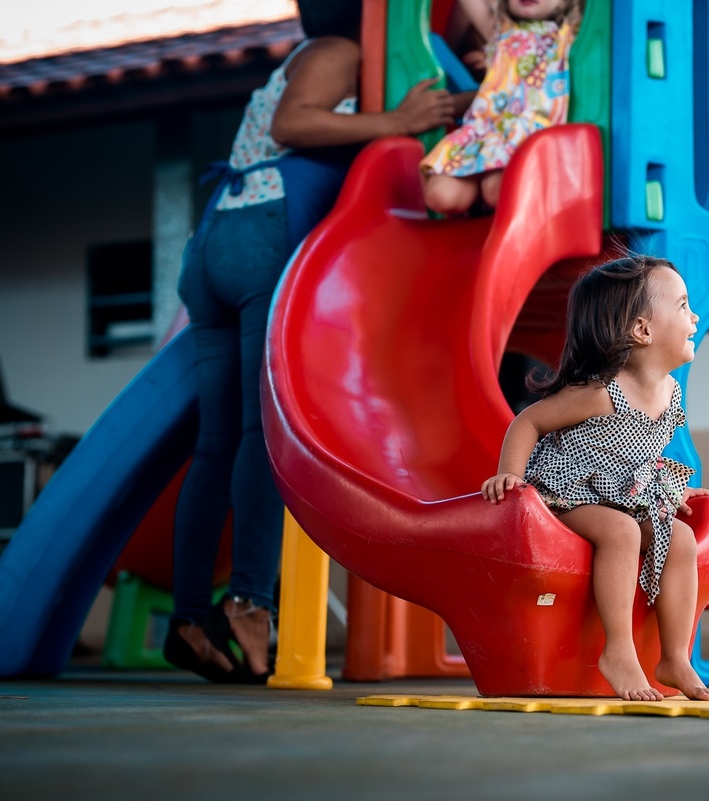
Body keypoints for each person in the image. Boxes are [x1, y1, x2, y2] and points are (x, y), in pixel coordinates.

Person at [164, 0, 457, 684]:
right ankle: (247, 604)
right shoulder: (339, 51)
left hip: (216, 246)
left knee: (216, 443)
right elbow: (291, 123)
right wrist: (396, 123)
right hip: (261, 236)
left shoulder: (307, 57)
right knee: (263, 433)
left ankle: (187, 617)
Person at [480, 255, 709, 702]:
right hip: (571, 490)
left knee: (682, 539)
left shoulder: (670, 390)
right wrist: (510, 478)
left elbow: (642, 453)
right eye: (683, 305)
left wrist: (672, 489)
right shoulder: (600, 392)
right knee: (622, 531)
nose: (695, 316)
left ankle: (674, 658)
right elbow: (528, 422)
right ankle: (620, 650)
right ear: (642, 331)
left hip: (625, 492)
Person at [420, 0, 583, 215]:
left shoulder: (576, 35)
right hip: (487, 134)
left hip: (533, 140)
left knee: (496, 188)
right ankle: (477, 210)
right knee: (440, 194)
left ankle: (491, 209)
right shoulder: (499, 30)